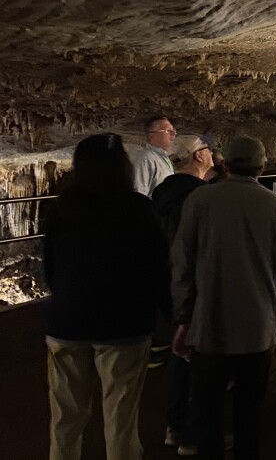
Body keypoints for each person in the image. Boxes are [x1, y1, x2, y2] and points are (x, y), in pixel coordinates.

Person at [42, 133, 169, 460]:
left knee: (65, 420)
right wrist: (168, 314)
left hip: (67, 323)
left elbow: (51, 268)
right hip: (123, 326)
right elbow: (157, 267)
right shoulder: (140, 209)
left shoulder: (61, 208)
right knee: (120, 419)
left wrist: (67, 299)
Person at [171, 136, 276, 460]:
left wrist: (184, 319)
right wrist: (274, 317)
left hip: (209, 324)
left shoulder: (200, 201)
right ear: (262, 167)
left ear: (225, 165)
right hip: (258, 327)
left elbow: (182, 265)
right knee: (248, 413)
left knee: (208, 410)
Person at [152, 134, 214, 455]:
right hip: (196, 284)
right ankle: (194, 436)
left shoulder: (161, 191)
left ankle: (175, 426)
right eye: (207, 148)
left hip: (168, 282)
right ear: (198, 156)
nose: (213, 152)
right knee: (201, 356)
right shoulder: (203, 197)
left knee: (179, 354)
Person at [132, 114, 177, 197]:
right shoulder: (146, 158)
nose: (173, 134)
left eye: (173, 130)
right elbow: (139, 193)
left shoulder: (163, 157)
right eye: (167, 131)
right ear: (151, 134)